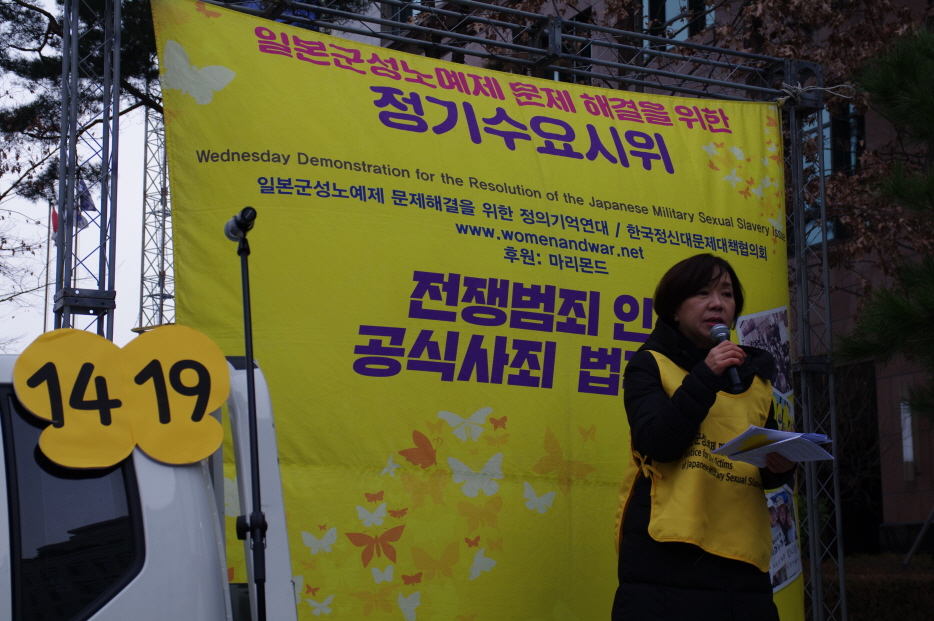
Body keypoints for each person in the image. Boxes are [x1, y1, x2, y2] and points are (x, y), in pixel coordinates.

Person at [611, 253, 796, 621]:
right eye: (702, 293)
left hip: (744, 559)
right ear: (674, 310)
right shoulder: (650, 364)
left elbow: (759, 467)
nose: (717, 304)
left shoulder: (755, 380)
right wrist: (706, 376)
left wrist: (778, 466)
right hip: (668, 558)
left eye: (726, 294)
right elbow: (657, 442)